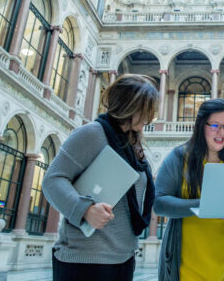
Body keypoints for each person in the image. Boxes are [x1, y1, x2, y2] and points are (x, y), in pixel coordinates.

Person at [43, 74, 158, 281]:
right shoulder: (92, 134)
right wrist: (85, 209)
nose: (151, 116)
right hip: (85, 261)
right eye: (147, 109)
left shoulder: (132, 144)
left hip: (122, 259)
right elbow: (53, 179)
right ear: (129, 106)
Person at [154, 99, 224, 281]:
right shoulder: (179, 157)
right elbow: (159, 203)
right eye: (214, 125)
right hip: (185, 268)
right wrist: (206, 204)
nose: (221, 132)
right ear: (201, 126)